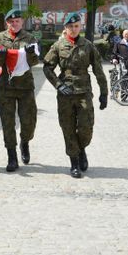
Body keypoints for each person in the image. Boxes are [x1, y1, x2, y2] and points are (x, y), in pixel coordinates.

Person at [43, 12, 108, 178]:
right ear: (66, 28)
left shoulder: (88, 46)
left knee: (86, 127)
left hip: (84, 91)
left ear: (81, 26)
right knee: (68, 127)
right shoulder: (58, 46)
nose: (73, 29)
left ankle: (82, 149)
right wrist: (58, 84)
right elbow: (47, 67)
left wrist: (104, 92)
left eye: (76, 26)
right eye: (70, 26)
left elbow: (98, 70)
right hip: (65, 93)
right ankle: (74, 162)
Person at [0, 8, 39, 172]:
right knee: (8, 123)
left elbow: (34, 62)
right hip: (7, 87)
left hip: (26, 86)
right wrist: (2, 54)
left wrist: (31, 54)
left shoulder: (30, 38)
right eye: (11, 21)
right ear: (7, 23)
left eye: (17, 21)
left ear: (22, 22)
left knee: (29, 122)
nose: (14, 24)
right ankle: (12, 157)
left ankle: (25, 142)